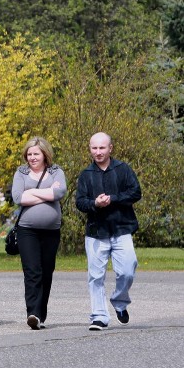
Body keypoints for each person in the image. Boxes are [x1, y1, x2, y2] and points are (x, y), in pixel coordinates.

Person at [75, 132, 142, 331]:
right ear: (89, 149)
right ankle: (99, 316)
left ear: (110, 148)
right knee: (95, 276)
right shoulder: (86, 175)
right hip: (96, 232)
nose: (98, 152)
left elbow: (135, 192)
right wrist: (95, 203)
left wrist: (113, 199)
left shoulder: (123, 169)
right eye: (94, 148)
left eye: (102, 148)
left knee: (127, 271)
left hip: (121, 229)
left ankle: (120, 302)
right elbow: (80, 202)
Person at [10, 137, 67, 330]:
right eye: (29, 154)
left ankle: (41, 314)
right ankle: (32, 313)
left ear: (45, 154)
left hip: (51, 231)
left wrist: (32, 194)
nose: (32, 157)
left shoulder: (55, 171)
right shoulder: (21, 172)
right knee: (32, 272)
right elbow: (18, 197)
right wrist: (47, 193)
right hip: (27, 231)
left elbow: (59, 194)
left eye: (36, 153)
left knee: (46, 271)